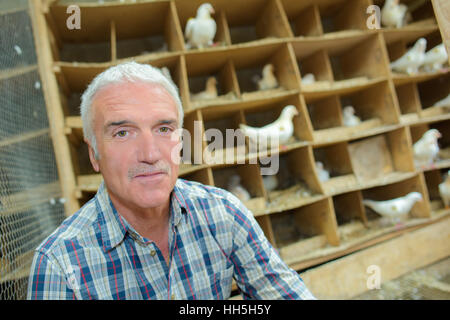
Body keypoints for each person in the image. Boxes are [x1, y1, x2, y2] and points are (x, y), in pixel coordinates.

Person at [27, 61, 315, 300]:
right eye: (123, 133)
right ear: (94, 156)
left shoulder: (223, 212)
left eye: (164, 128)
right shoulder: (59, 267)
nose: (151, 154)